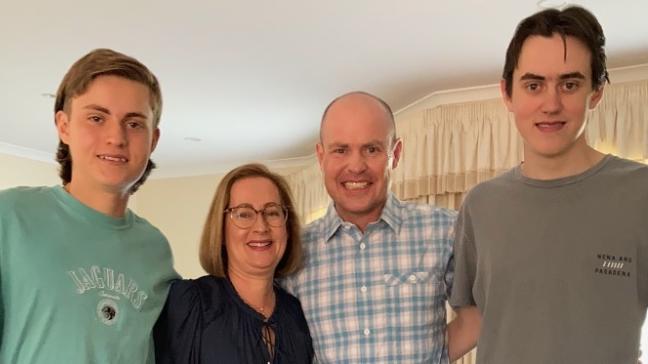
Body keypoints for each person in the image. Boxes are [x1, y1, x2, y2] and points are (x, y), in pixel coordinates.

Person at [450, 5, 648, 363]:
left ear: (596, 92)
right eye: (534, 85)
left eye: (570, 84)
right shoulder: (480, 205)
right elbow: (472, 322)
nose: (551, 104)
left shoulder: (641, 193)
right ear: (508, 94)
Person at [0, 49, 178, 363]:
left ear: (153, 140)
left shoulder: (156, 249)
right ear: (64, 126)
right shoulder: (11, 217)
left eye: (134, 123)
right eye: (97, 118)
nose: (116, 137)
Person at [283, 91, 480, 363]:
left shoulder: (444, 229)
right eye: (341, 150)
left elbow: (477, 318)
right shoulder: (294, 250)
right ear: (321, 157)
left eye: (372, 149)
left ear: (395, 154)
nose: (356, 166)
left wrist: (434, 357)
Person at [154, 163, 314, 363]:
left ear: (287, 227)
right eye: (244, 214)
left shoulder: (296, 313)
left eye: (272, 212)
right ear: (220, 230)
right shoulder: (191, 303)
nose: (261, 226)